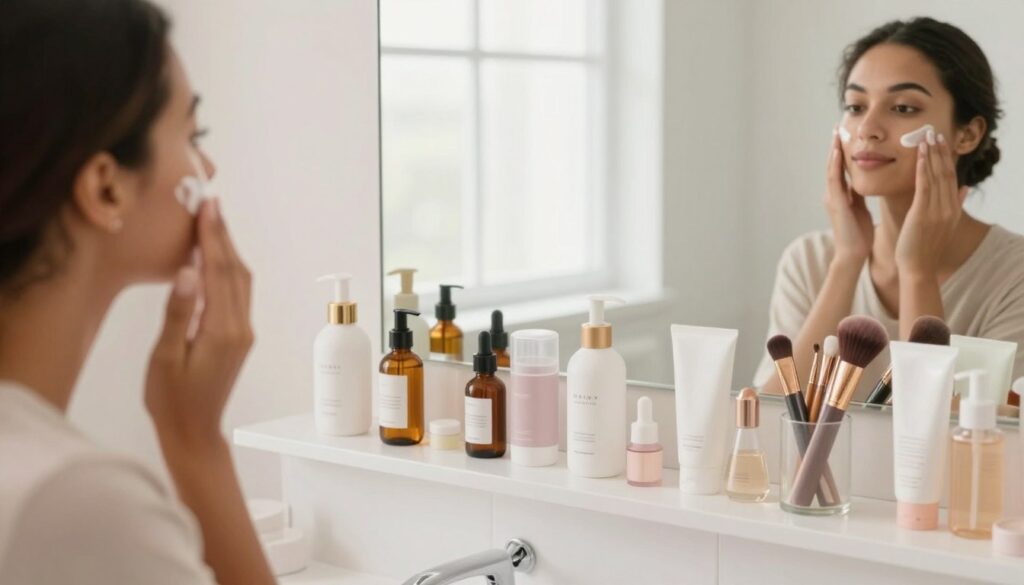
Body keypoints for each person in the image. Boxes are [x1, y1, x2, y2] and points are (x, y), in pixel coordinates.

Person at [0, 1, 275, 582]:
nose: (208, 166)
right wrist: (194, 441)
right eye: (191, 134)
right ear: (105, 190)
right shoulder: (73, 503)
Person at [755, 17, 1024, 402]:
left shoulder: (1015, 277)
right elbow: (771, 423)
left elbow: (947, 442)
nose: (868, 128)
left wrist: (917, 271)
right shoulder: (809, 261)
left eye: (902, 107)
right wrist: (847, 262)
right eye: (855, 105)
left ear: (967, 134)